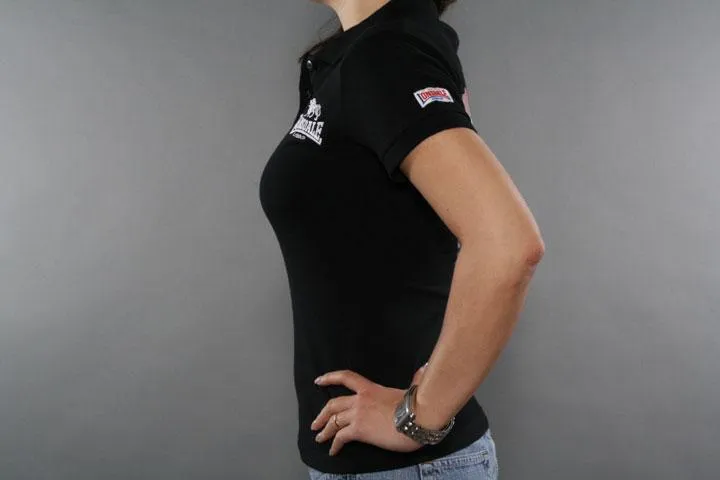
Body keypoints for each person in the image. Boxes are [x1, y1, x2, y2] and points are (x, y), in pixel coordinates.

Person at [258, 0, 545, 478]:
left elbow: (509, 245)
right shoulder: (367, 55)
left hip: (406, 469)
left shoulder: (387, 57)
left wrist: (417, 419)